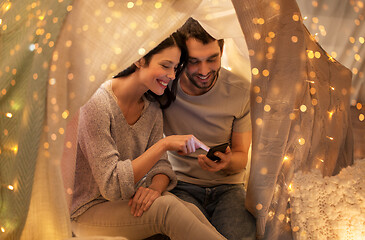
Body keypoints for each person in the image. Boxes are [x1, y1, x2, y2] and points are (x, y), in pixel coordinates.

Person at [70, 32, 227, 240]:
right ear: (139, 59)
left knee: (189, 209)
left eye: (175, 67)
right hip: (87, 211)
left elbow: (161, 167)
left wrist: (155, 188)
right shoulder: (97, 103)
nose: (172, 75)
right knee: (167, 209)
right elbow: (112, 185)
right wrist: (164, 144)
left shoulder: (151, 108)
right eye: (165, 65)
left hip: (126, 202)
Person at [163, 18, 256, 239]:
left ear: (222, 52)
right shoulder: (165, 86)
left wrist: (225, 163)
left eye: (212, 59)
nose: (203, 70)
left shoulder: (240, 91)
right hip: (179, 184)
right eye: (193, 61)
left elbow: (241, 156)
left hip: (228, 187)